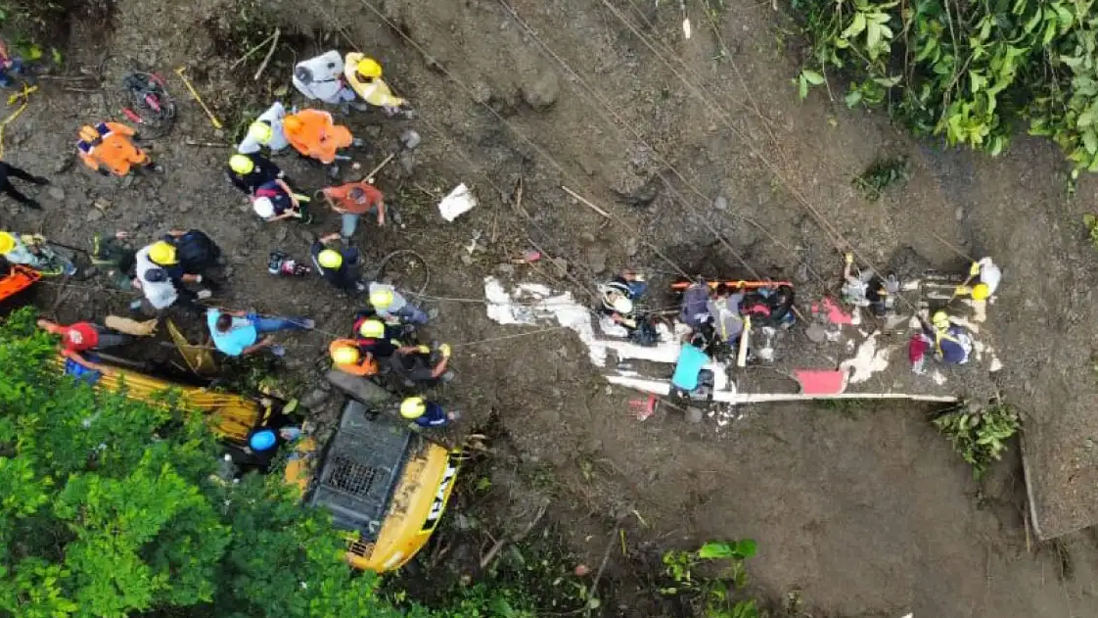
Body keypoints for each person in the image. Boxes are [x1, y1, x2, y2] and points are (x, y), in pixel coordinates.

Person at [206, 308, 314, 357]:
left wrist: (236, 314)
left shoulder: (213, 317)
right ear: (227, 328)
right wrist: (262, 344)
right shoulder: (224, 345)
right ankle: (271, 346)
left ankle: (301, 323)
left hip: (251, 324)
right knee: (267, 344)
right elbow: (244, 351)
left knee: (278, 324)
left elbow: (218, 310)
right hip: (251, 341)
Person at [37, 318, 136, 371]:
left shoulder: (55, 330)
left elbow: (42, 323)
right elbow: (84, 363)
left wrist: (37, 325)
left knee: (109, 329)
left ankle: (124, 332)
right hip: (97, 341)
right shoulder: (66, 350)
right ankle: (132, 338)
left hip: (90, 327)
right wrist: (100, 368)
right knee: (117, 339)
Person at [77, 122, 156, 177]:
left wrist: (133, 133)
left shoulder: (104, 128)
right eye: (94, 143)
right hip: (114, 161)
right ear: (87, 141)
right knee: (123, 169)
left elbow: (120, 127)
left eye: (98, 138)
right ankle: (132, 170)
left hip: (125, 150)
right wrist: (97, 168)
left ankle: (149, 165)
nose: (98, 142)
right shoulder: (84, 147)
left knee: (141, 158)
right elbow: (87, 160)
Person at [282, 109, 353, 165]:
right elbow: (298, 146)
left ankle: (350, 142)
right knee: (327, 158)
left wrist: (327, 130)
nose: (300, 129)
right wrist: (309, 150)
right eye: (297, 130)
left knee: (344, 139)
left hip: (328, 136)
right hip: (320, 144)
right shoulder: (289, 133)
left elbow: (327, 116)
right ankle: (334, 161)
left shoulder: (306, 114)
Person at [292, 50, 358, 105]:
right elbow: (305, 91)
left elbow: (334, 61)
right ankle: (344, 104)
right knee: (337, 101)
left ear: (309, 70)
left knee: (349, 95)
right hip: (324, 95)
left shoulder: (319, 64)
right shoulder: (296, 81)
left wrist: (339, 73)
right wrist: (314, 97)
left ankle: (353, 102)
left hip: (336, 85)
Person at [0, 231, 76, 275]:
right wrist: (32, 248)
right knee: (53, 262)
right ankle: (70, 270)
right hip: (36, 258)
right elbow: (29, 258)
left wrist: (31, 238)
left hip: (36, 248)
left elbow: (17, 235)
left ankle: (68, 257)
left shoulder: (6, 237)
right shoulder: (12, 257)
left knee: (52, 250)